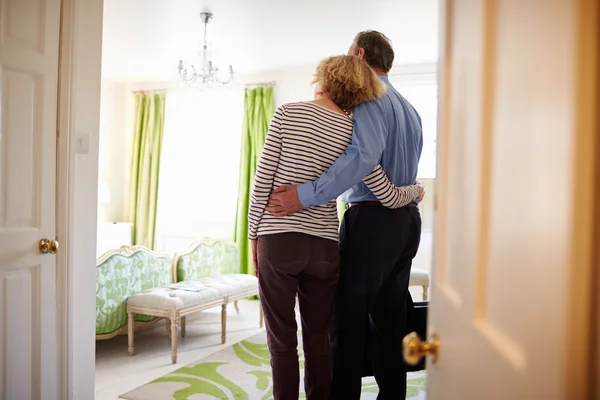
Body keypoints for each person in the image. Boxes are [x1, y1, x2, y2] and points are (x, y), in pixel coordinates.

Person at [248, 55, 423, 400]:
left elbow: (262, 183)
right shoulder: (352, 131)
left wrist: (254, 237)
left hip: (279, 239)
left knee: (282, 337)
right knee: (318, 337)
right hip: (325, 247)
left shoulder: (287, 112)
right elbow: (387, 193)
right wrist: (414, 191)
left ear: (323, 80)